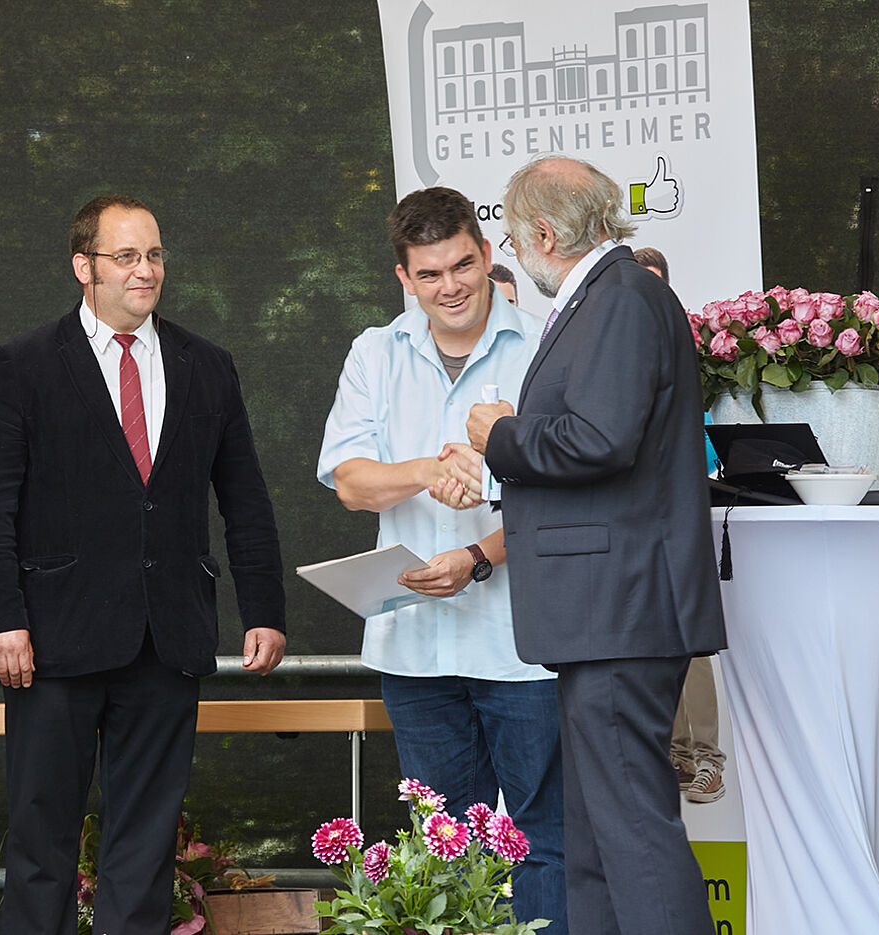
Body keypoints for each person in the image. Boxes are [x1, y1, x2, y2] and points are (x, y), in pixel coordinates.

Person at [0, 194, 287, 935]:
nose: (146, 270)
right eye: (127, 256)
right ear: (84, 268)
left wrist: (264, 606)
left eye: (155, 255)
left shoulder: (208, 366)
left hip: (166, 640)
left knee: (144, 849)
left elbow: (246, 499)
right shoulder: (24, 366)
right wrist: (1, 619)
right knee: (42, 845)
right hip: (51, 644)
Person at [464, 156, 726, 934]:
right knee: (596, 841)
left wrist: (501, 438)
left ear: (545, 231)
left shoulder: (619, 298)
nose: (521, 256)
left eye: (517, 242)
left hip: (621, 610)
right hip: (606, 614)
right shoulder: (614, 297)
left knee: (633, 834)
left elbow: (601, 440)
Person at [316, 186, 565, 931]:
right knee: (442, 842)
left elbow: (568, 495)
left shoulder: (549, 341)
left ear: (489, 255)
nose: (450, 286)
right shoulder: (374, 351)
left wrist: (478, 557)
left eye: (462, 265)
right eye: (429, 274)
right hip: (416, 649)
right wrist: (429, 469)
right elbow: (352, 482)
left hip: (526, 646)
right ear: (403, 277)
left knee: (544, 838)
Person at [634, 245, 726, 804]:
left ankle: (704, 757)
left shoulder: (692, 367)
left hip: (679, 530)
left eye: (655, 290)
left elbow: (712, 457)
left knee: (687, 647)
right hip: (626, 538)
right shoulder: (604, 358)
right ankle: (663, 755)